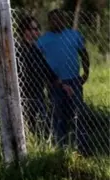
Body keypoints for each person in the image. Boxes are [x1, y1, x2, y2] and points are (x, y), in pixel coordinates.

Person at [37, 9, 91, 154]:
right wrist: (46, 80)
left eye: (60, 18)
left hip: (74, 81)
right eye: (53, 19)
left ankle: (82, 146)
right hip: (54, 83)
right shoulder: (42, 40)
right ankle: (61, 146)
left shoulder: (74, 35)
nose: (57, 21)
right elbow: (38, 61)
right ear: (49, 22)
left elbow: (84, 53)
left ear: (65, 20)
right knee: (58, 114)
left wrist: (85, 72)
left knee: (79, 113)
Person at [16, 15, 73, 140]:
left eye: (37, 29)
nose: (36, 32)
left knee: (42, 131)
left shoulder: (37, 50)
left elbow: (47, 71)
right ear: (23, 31)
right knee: (26, 132)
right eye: (32, 29)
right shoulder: (18, 50)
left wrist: (63, 84)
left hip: (38, 96)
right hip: (22, 98)